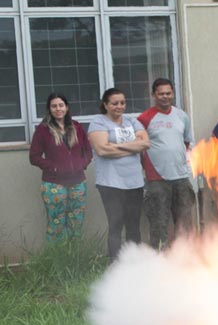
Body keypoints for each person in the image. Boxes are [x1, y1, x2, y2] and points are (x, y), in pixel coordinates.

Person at [88, 88, 150, 261]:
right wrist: (131, 147)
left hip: (134, 182)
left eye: (122, 103)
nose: (119, 106)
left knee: (133, 225)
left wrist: (113, 147)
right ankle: (115, 264)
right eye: (114, 103)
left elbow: (145, 143)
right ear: (105, 105)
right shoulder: (99, 123)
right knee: (116, 224)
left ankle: (135, 264)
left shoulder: (132, 121)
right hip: (111, 183)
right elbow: (101, 149)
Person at [138, 78, 195, 249]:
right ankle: (160, 263)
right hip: (157, 180)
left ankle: (185, 259)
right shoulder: (144, 118)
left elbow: (185, 142)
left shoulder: (182, 116)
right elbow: (140, 148)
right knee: (158, 225)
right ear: (154, 95)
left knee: (185, 224)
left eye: (168, 93)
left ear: (173, 94)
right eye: (161, 93)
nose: (165, 97)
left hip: (181, 178)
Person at [29, 93, 92, 243]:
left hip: (77, 182)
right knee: (56, 224)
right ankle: (57, 260)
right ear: (49, 109)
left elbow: (88, 151)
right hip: (53, 184)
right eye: (54, 106)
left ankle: (74, 258)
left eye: (61, 105)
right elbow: (34, 157)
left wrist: (81, 165)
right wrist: (54, 167)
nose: (58, 109)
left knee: (76, 223)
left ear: (67, 107)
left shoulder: (76, 126)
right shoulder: (43, 130)